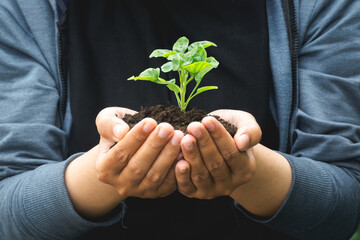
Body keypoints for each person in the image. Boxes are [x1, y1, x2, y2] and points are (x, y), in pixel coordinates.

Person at [0, 0, 359, 239]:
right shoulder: (24, 9)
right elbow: (8, 210)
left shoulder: (320, 6)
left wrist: (249, 169)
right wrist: (102, 171)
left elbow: (343, 208)